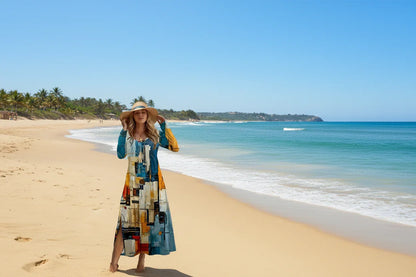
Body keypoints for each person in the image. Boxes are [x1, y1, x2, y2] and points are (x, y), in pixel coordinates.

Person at [109, 101, 179, 273]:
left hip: (153, 184)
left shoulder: (154, 135)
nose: (141, 115)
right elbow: (120, 154)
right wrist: (123, 130)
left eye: (144, 112)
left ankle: (142, 261)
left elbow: (174, 147)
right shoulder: (128, 134)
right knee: (125, 225)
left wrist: (164, 126)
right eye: (137, 112)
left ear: (147, 116)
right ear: (133, 116)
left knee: (147, 225)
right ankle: (113, 264)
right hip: (132, 185)